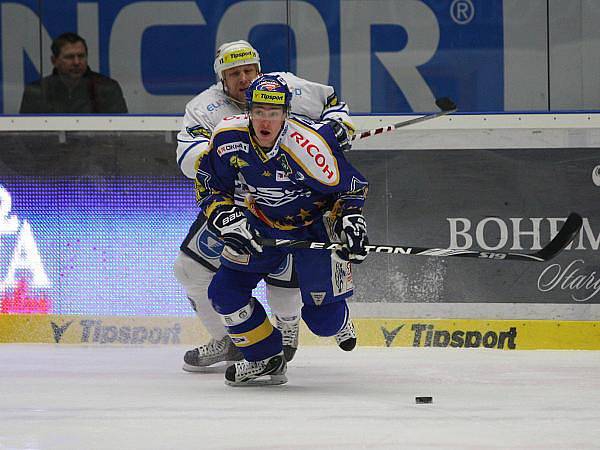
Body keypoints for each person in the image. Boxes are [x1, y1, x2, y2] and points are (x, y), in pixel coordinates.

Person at [174, 40, 357, 371]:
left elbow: (332, 103)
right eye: (234, 74)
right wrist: (236, 159)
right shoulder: (204, 109)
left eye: (249, 71)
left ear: (259, 70)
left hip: (291, 199)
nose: (243, 79)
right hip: (238, 200)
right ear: (221, 78)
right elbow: (189, 159)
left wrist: (335, 129)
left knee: (286, 280)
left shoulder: (284, 86)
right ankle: (232, 339)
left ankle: (290, 323)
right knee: (189, 269)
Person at [19, 32, 127, 113]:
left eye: (81, 56)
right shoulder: (36, 92)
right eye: (69, 57)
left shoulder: (107, 88)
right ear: (54, 61)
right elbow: (25, 137)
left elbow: (120, 134)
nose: (76, 62)